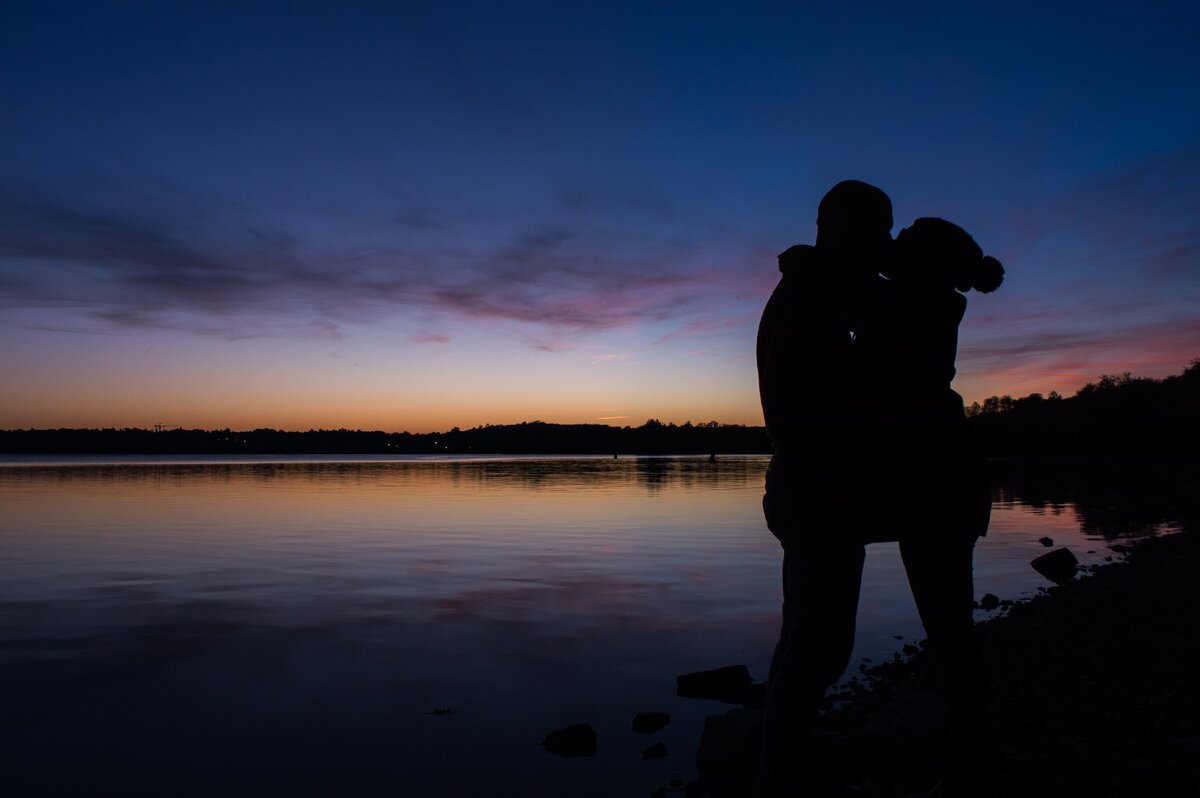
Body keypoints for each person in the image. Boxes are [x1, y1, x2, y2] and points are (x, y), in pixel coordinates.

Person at [755, 179, 893, 795]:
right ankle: (781, 771)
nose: (886, 242)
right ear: (846, 229)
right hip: (816, 486)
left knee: (806, 634)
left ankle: (782, 759)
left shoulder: (812, 284)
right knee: (821, 644)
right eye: (879, 229)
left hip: (809, 483)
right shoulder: (819, 290)